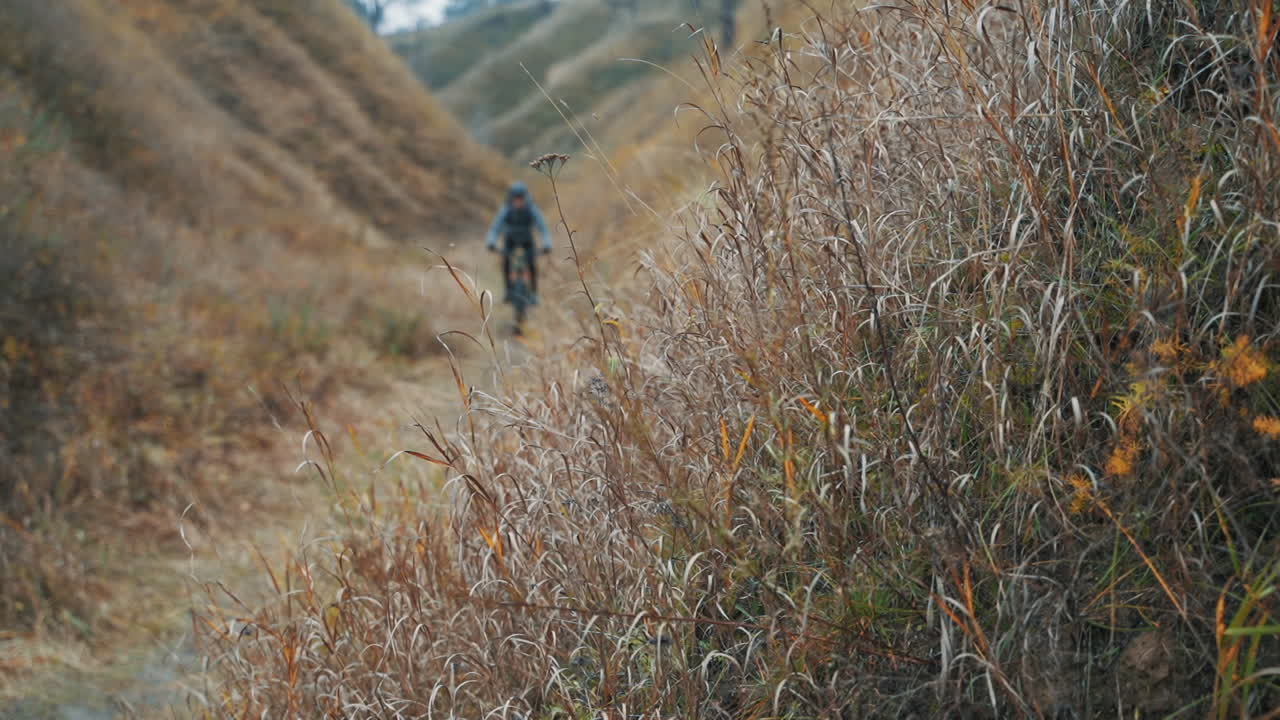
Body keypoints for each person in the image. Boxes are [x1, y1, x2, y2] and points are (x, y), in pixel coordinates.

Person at [485, 182, 552, 305]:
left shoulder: (532, 209)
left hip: (527, 240)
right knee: (506, 262)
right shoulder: (506, 210)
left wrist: (547, 243)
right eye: (516, 199)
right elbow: (495, 228)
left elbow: (542, 228)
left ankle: (534, 293)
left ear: (525, 198)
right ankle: (508, 291)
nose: (518, 202)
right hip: (510, 240)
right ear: (511, 198)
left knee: (531, 263)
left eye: (521, 199)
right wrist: (491, 241)